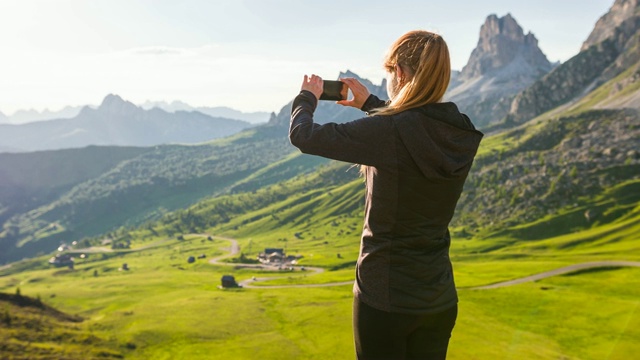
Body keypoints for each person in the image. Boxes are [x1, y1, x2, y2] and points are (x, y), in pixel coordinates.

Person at [289, 30, 483, 360]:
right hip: (438, 297)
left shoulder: (390, 133)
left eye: (390, 73)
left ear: (402, 74)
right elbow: (416, 131)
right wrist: (371, 105)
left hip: (384, 296)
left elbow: (304, 136)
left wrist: (307, 96)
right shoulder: (460, 130)